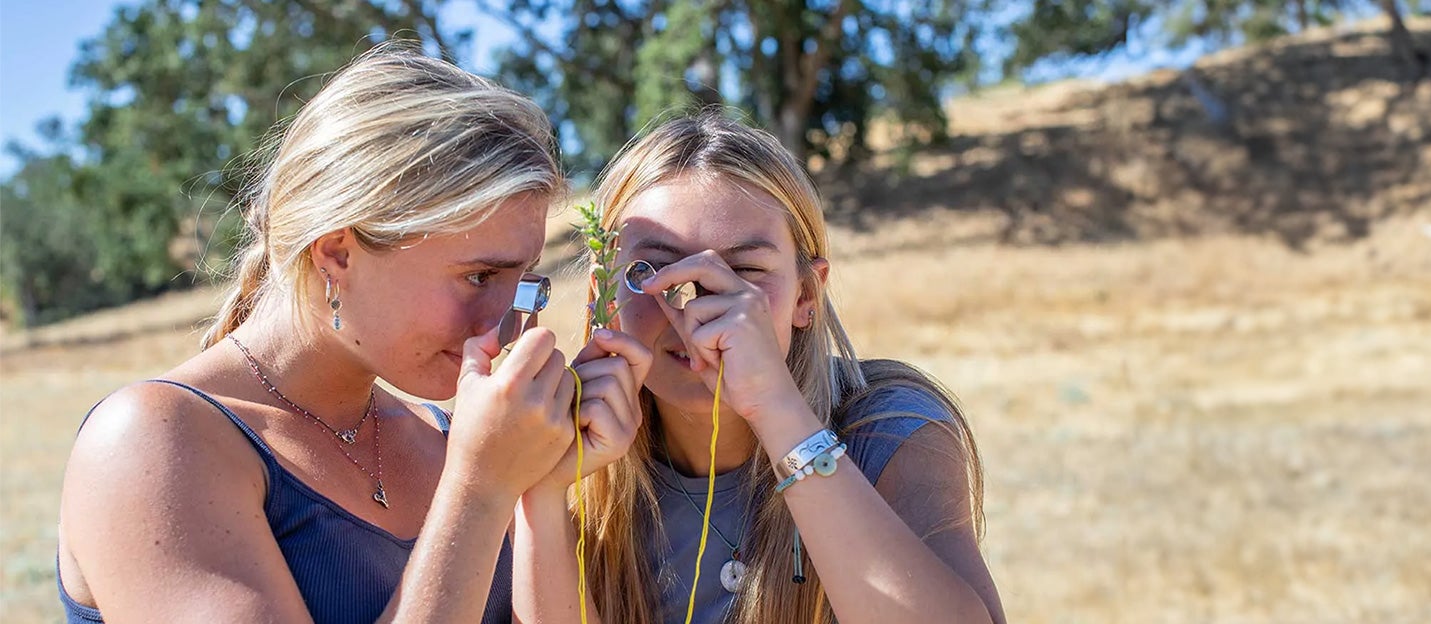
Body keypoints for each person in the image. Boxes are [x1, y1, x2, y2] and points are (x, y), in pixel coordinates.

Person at [55, 42, 648, 623]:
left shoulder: (447, 437)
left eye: (521, 281)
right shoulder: (152, 442)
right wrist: (479, 489)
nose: (503, 323)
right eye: (478, 276)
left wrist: (537, 486)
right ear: (338, 252)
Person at [512, 111, 1005, 623]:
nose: (698, 307)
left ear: (805, 295)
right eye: (651, 271)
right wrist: (543, 492)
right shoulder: (563, 448)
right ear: (602, 292)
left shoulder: (887, 428)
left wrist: (776, 410)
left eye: (744, 272)